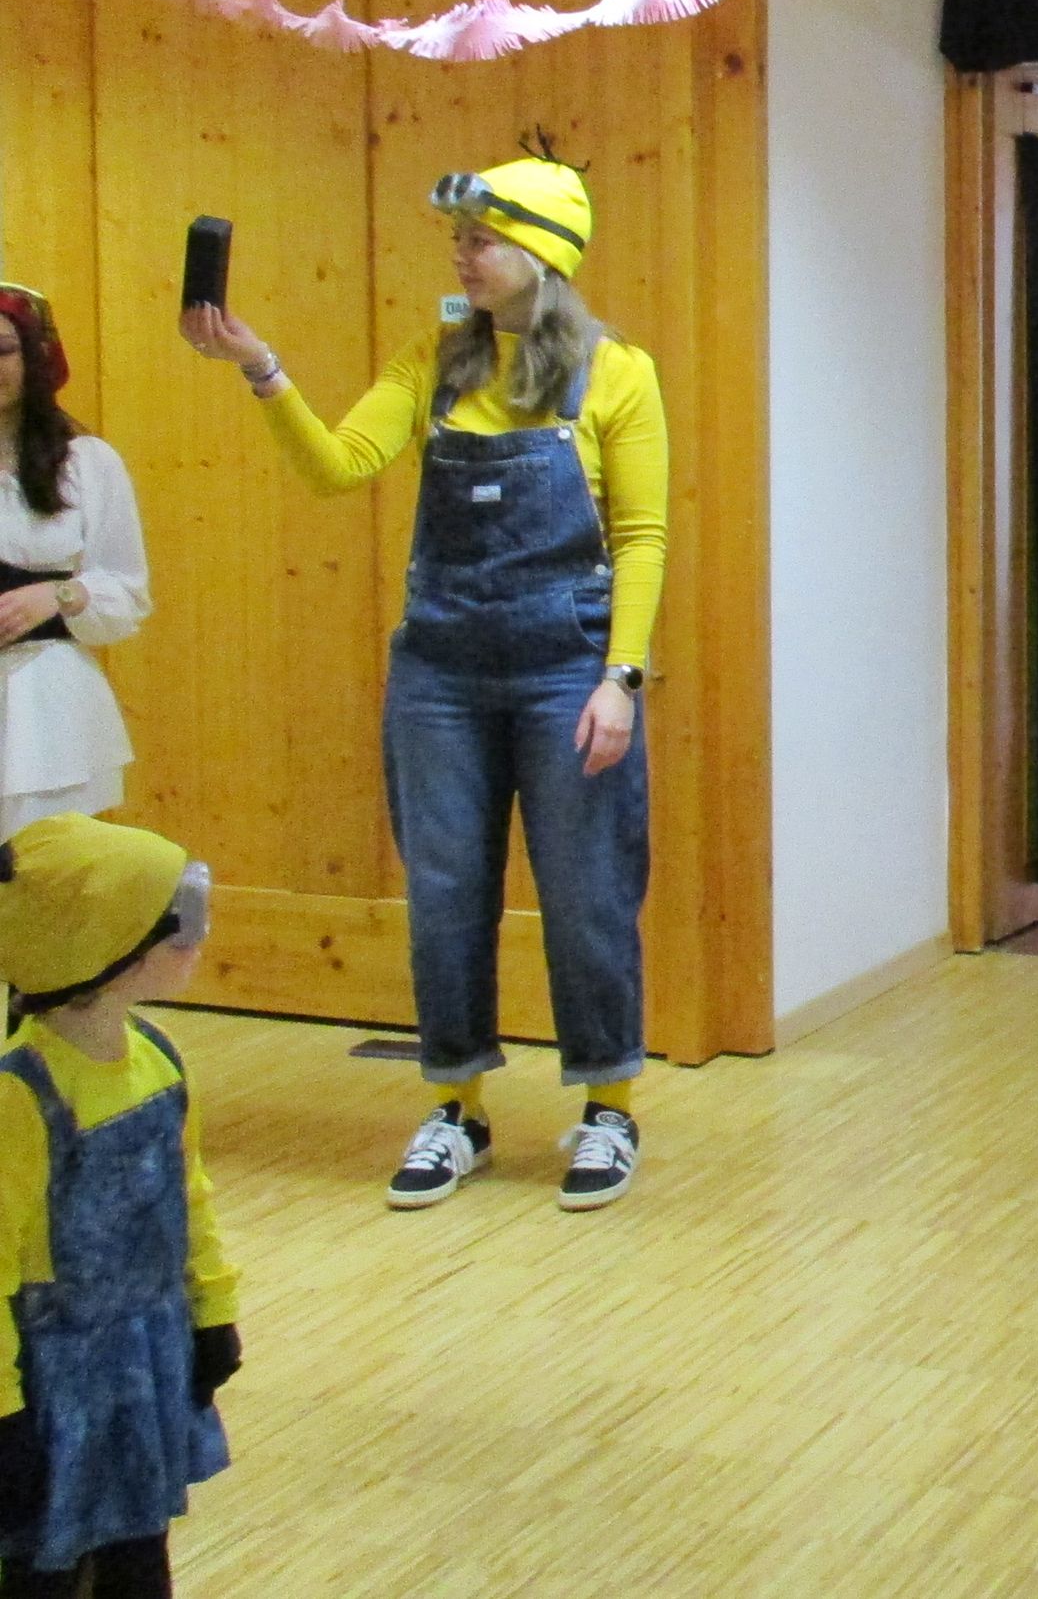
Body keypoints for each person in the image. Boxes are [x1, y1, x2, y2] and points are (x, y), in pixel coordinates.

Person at [180, 147, 667, 1215]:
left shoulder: (618, 373)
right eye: (460, 238)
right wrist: (261, 368)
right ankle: (457, 1109)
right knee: (445, 896)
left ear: (542, 254)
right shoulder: (433, 360)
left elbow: (641, 537)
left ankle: (609, 1107)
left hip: (567, 672)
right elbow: (337, 467)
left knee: (588, 893)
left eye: (481, 239)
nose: (462, 255)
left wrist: (621, 679)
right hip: (439, 673)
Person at [0, 814, 240, 1599]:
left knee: (139, 1556)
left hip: (146, 1359)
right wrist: (4, 1413)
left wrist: (211, 1311)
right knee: (45, 1566)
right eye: (179, 919)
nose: (198, 937)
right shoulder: (20, 1096)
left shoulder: (159, 1059)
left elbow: (190, 1197)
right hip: (52, 1381)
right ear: (106, 948)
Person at [0, 288, 150, 841]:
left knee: (46, 871)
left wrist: (61, 595)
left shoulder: (86, 464)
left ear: (34, 359)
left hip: (48, 715)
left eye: (2, 350)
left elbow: (128, 593)